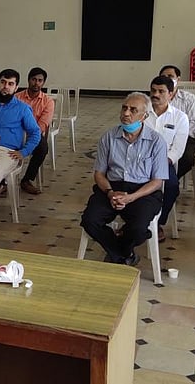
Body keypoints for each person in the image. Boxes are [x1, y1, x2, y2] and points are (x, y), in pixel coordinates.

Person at [80, 92, 168, 265]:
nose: (126, 113)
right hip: (112, 188)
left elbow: (157, 181)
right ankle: (124, 254)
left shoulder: (156, 141)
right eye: (124, 108)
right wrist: (110, 193)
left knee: (138, 229)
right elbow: (99, 173)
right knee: (90, 220)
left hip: (143, 192)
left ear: (144, 116)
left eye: (133, 110)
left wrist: (131, 197)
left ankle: (119, 252)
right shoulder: (108, 137)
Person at [0, 69, 41, 196]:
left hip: (7, 153)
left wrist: (24, 152)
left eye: (10, 84)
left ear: (16, 88)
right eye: (3, 82)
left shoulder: (22, 109)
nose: (5, 87)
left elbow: (35, 132)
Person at [144, 76, 189, 241]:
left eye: (161, 91)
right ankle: (132, 219)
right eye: (153, 90)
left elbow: (178, 149)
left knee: (171, 185)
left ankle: (158, 223)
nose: (155, 94)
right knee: (125, 180)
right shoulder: (141, 112)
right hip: (139, 160)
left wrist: (163, 162)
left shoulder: (179, 117)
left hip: (164, 161)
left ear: (171, 94)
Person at [15, 67, 54, 195]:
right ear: (28, 80)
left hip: (34, 134)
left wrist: (30, 136)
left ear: (43, 83)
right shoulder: (17, 97)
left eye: (40, 80)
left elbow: (43, 124)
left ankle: (26, 180)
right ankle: (3, 182)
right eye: (34, 79)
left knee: (42, 148)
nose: (36, 83)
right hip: (17, 133)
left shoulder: (48, 101)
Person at [158, 65, 195, 179]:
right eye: (163, 76)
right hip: (160, 135)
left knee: (187, 159)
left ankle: (170, 180)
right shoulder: (156, 97)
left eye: (170, 76)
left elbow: (194, 122)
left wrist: (178, 134)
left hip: (184, 137)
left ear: (178, 79)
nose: (167, 78)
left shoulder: (188, 98)